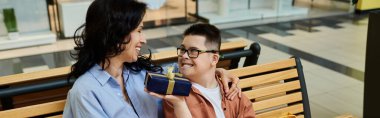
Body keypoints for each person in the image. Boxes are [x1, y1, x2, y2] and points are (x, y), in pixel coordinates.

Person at [62, 0, 241, 117]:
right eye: (139, 31)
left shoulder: (140, 73)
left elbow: (185, 67)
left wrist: (218, 70)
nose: (144, 39)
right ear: (116, 33)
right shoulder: (86, 93)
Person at [151, 24, 256, 118]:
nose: (184, 55)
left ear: (214, 59)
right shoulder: (176, 95)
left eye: (193, 51)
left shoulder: (232, 93)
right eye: (183, 49)